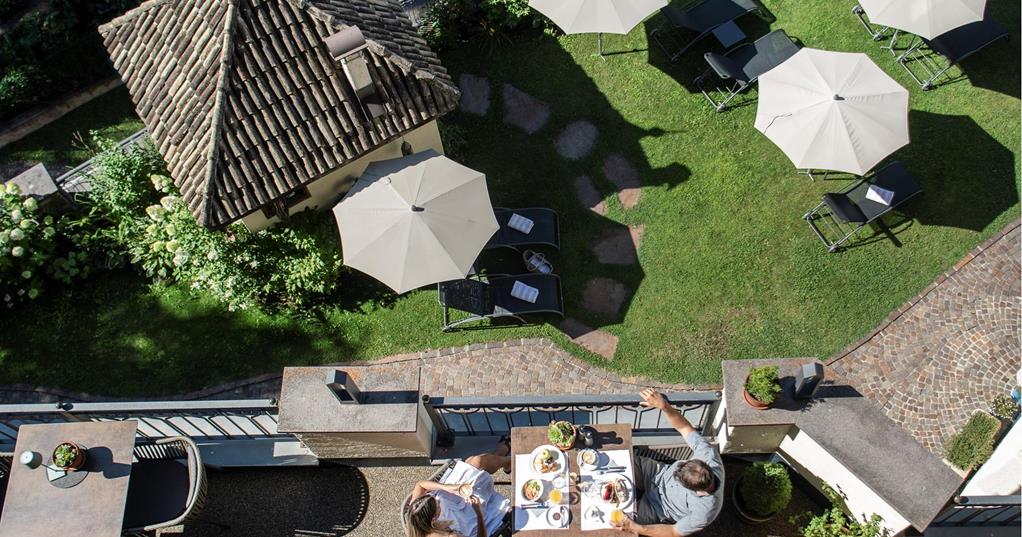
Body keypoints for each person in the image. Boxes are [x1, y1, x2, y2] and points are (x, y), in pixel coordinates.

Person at [612, 389, 725, 537]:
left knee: (612, 521)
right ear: (703, 464)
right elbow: (684, 428)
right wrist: (664, 406)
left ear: (697, 492)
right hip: (657, 473)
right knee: (617, 461)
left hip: (659, 507)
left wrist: (636, 528)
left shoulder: (705, 512)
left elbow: (673, 531)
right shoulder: (708, 455)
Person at [407, 439, 512, 537]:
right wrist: (478, 512)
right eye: (438, 504)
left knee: (476, 461)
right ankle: (505, 459)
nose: (438, 500)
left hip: (451, 502)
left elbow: (420, 485)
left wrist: (447, 488)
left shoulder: (416, 512)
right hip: (467, 522)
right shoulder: (449, 535)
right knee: (476, 464)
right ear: (434, 519)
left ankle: (504, 460)